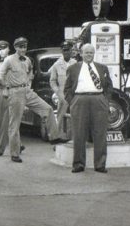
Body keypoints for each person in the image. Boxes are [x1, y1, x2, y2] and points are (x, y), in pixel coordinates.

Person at [64, 43, 113, 173]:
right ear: (81, 53)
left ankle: (100, 164)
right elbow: (67, 89)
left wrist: (105, 100)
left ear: (94, 53)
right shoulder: (73, 68)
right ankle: (78, 164)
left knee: (100, 133)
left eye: (91, 52)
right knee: (79, 133)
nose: (89, 55)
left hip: (98, 100)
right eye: (86, 52)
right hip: (80, 100)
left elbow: (109, 86)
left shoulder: (102, 68)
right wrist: (73, 102)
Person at [0, 37, 37, 162]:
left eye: (4, 48)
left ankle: (13, 147)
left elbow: (29, 74)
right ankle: (4, 147)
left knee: (14, 120)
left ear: (9, 49)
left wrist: (27, 88)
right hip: (2, 91)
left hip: (14, 91)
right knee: (3, 120)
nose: (2, 51)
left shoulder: (16, 60)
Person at [46, 41, 75, 143]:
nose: (66, 52)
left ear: (71, 51)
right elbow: (52, 81)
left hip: (74, 93)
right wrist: (58, 92)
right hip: (62, 93)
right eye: (64, 50)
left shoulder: (75, 63)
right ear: (62, 51)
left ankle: (73, 137)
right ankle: (59, 137)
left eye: (68, 50)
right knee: (61, 115)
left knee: (75, 115)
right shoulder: (57, 65)